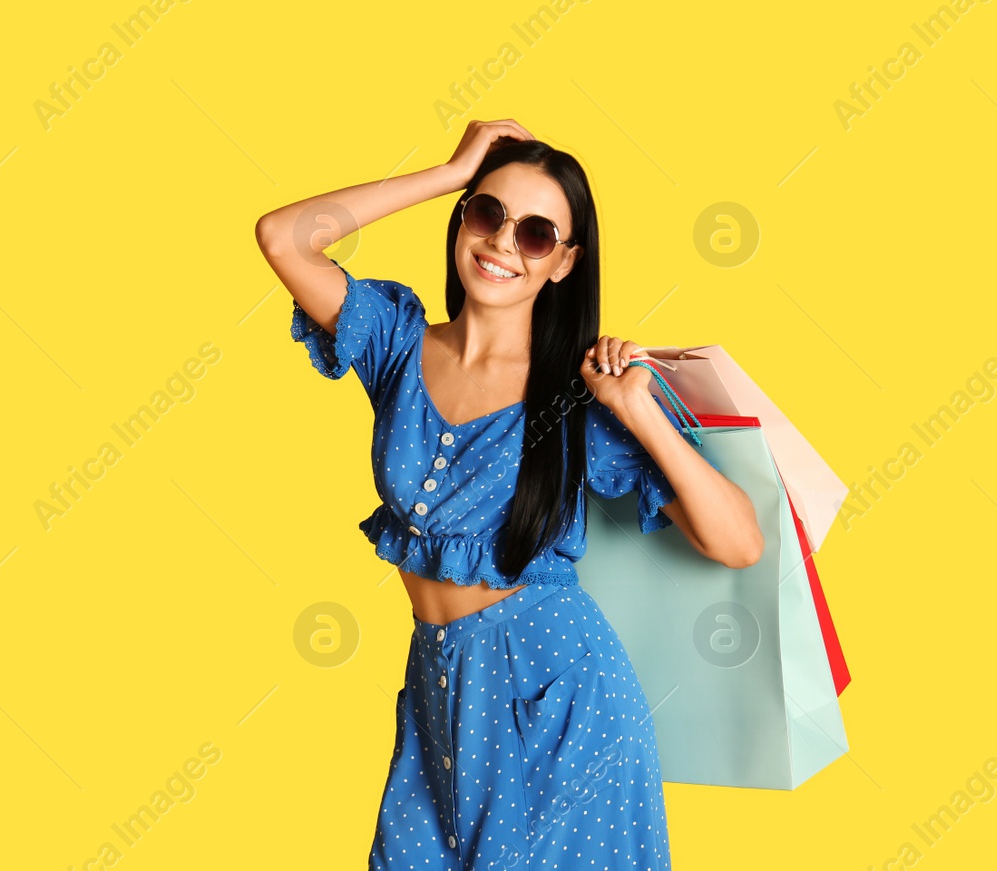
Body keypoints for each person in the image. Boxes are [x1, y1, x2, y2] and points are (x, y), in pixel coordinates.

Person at [255, 118, 762, 870]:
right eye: (488, 214)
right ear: (464, 219)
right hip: (439, 690)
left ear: (564, 263)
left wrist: (640, 413)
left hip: (562, 701)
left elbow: (738, 542)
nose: (501, 243)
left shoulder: (575, 399)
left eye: (535, 234)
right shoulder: (397, 343)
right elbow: (282, 237)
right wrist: (451, 171)